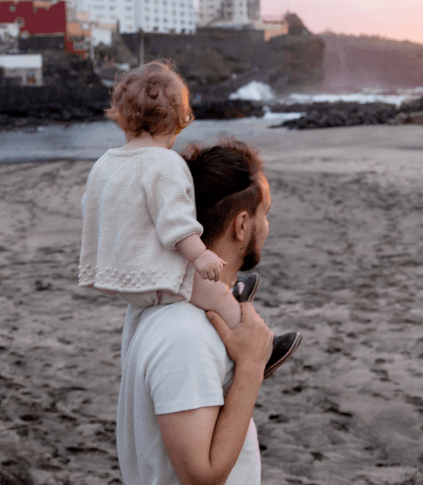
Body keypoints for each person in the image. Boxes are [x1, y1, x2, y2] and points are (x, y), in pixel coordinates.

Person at [78, 60, 298, 377]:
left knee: (203, 289)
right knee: (215, 294)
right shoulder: (163, 163)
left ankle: (233, 299)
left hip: (119, 277)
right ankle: (260, 353)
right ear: (180, 119)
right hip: (153, 277)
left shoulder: (104, 164)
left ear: (122, 118)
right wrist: (200, 255)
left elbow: (92, 209)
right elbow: (175, 220)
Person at [117, 139, 298, 484]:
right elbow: (200, 477)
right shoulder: (185, 333)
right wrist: (251, 366)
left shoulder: (160, 302)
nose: (268, 226)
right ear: (241, 225)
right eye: (266, 213)